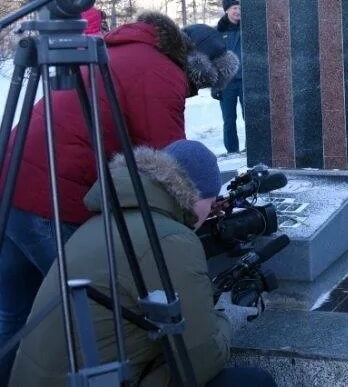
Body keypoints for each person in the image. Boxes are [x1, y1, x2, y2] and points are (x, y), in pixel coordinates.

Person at [0, 13, 238, 385]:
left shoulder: (131, 49)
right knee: (87, 304)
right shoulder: (161, 72)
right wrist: (201, 206)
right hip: (54, 191)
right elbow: (168, 167)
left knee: (14, 313)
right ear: (198, 67)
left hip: (13, 174)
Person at [10, 140, 275, 387]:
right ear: (196, 196)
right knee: (253, 382)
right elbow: (198, 364)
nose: (211, 211)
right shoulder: (169, 238)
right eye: (211, 202)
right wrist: (225, 320)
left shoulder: (102, 221)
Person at [216, 0, 244, 154]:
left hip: (246, 82)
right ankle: (232, 151)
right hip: (226, 84)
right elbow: (213, 59)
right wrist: (215, 85)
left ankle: (252, 149)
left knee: (250, 119)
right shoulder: (218, 32)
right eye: (234, 8)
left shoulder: (249, 28)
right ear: (227, 10)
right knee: (229, 120)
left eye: (240, 7)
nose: (238, 11)